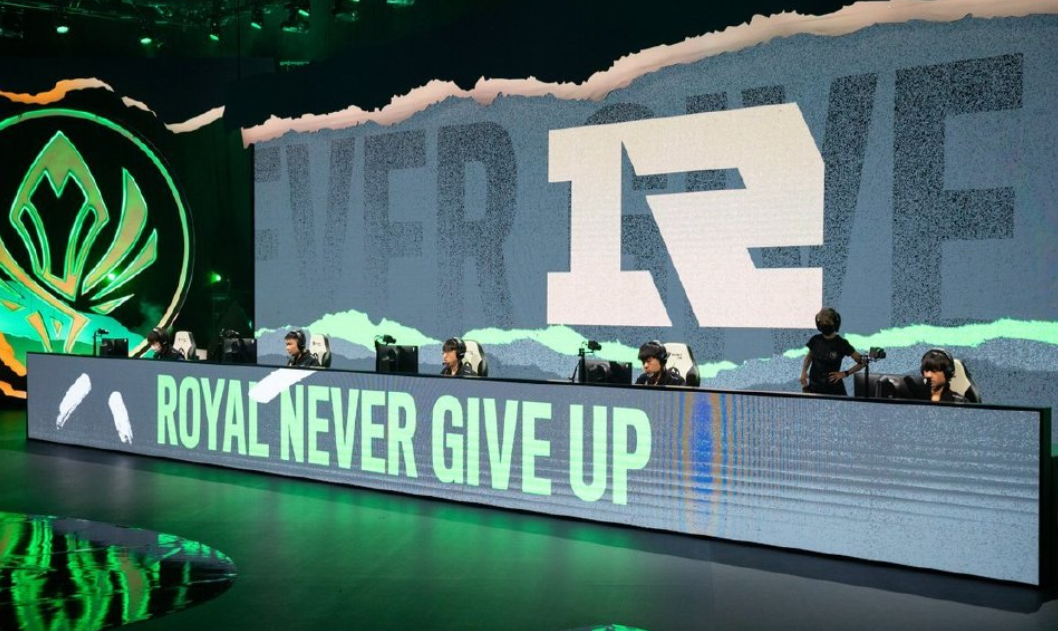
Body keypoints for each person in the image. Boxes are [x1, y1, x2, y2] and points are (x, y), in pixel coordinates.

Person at [799, 307, 863, 395]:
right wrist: (803, 372)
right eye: (823, 323)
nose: (825, 325)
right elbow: (809, 357)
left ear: (835, 324)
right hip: (814, 389)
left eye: (828, 323)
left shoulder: (841, 343)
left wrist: (845, 373)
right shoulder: (815, 340)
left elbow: (862, 362)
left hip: (834, 392)